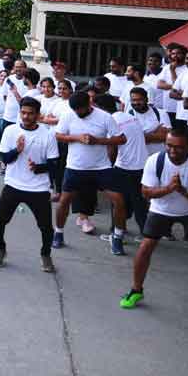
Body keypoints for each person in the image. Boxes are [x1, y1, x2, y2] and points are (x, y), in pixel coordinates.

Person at [120, 128, 188, 309]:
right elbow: (146, 192)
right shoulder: (155, 161)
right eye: (169, 146)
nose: (173, 151)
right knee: (144, 249)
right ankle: (136, 290)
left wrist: (183, 191)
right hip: (160, 210)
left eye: (179, 147)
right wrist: (169, 189)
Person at [53, 91, 127, 255]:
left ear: (90, 104)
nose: (78, 113)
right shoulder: (68, 115)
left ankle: (118, 237)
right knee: (63, 202)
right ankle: (58, 233)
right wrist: (77, 138)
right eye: (75, 110)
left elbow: (121, 139)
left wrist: (98, 141)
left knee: (119, 201)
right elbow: (58, 135)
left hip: (101, 167)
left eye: (81, 110)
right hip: (75, 167)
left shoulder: (105, 117)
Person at [0, 96, 56, 272]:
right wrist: (17, 151)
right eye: (23, 112)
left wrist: (38, 168)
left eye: (30, 114)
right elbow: (4, 158)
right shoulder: (10, 131)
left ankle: (45, 254)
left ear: (37, 115)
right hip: (13, 184)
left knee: (46, 228)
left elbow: (54, 164)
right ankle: (0, 248)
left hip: (38, 188)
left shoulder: (48, 134)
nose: (26, 117)